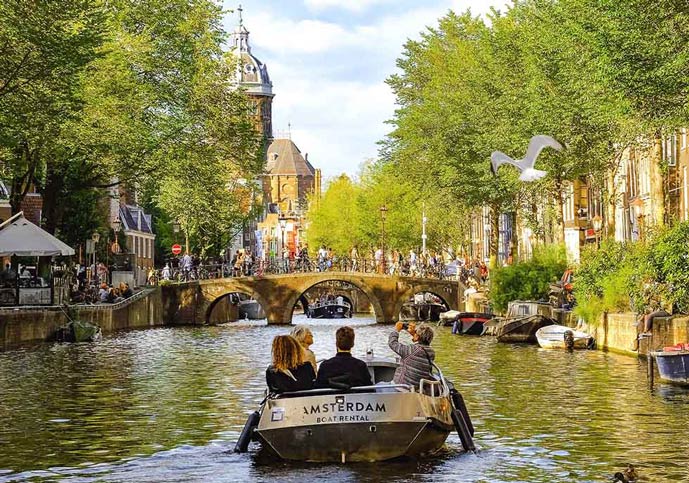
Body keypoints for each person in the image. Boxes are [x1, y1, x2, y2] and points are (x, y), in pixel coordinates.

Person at [388, 322, 435, 387]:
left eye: (415, 333)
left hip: (401, 388)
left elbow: (392, 343)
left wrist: (397, 330)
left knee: (377, 386)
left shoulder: (412, 350)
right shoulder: (431, 352)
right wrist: (415, 334)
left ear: (417, 337)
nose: (414, 333)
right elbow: (423, 341)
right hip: (416, 388)